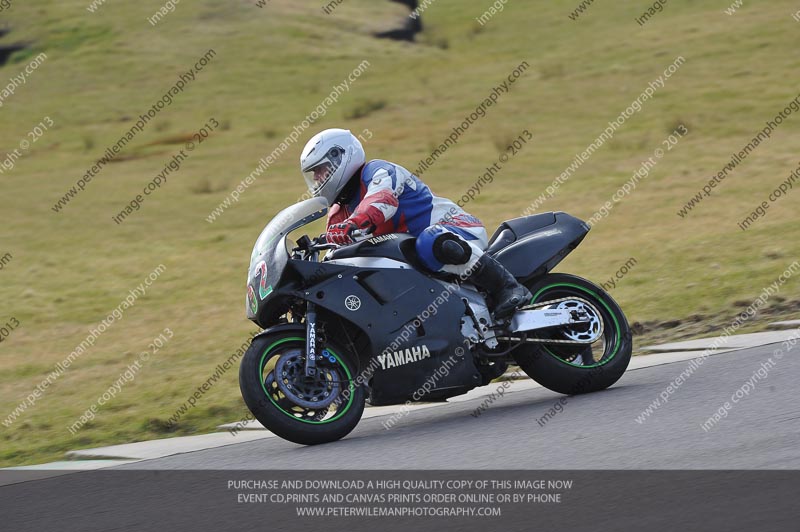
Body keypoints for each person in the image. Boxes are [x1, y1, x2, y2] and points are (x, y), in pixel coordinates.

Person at [299, 128, 531, 318]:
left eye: (320, 170)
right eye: (314, 174)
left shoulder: (377, 171)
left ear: (340, 156)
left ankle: (507, 286)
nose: (318, 179)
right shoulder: (339, 210)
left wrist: (354, 224)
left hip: (454, 231)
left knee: (430, 241)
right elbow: (336, 249)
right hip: (409, 261)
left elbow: (381, 201)